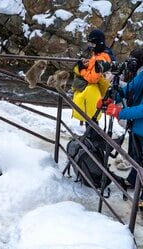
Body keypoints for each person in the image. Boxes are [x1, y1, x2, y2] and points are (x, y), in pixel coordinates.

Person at [103, 47, 143, 205]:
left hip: (139, 124)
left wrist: (120, 112)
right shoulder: (141, 75)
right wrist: (111, 97)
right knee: (135, 156)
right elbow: (129, 88)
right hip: (137, 127)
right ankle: (134, 181)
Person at [72, 29, 114, 123]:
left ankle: (93, 137)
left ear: (99, 44)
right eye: (89, 44)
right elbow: (94, 69)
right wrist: (87, 64)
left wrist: (82, 69)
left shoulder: (100, 58)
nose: (91, 47)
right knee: (90, 115)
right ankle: (91, 136)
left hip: (93, 90)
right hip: (93, 90)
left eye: (93, 45)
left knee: (91, 115)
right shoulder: (98, 54)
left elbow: (93, 79)